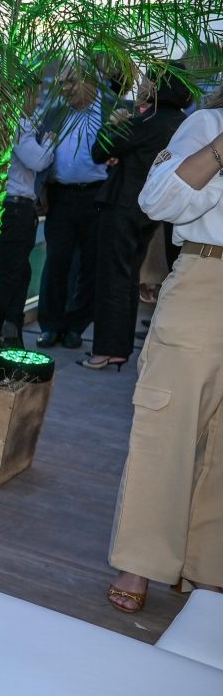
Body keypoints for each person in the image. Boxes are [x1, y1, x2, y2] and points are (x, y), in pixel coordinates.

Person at [106, 92, 223, 612]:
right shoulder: (206, 124)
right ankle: (143, 561)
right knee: (168, 419)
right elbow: (159, 202)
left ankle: (210, 565)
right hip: (208, 277)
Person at [78, 70, 191, 370]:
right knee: (127, 279)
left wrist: (114, 125)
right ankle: (118, 349)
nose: (140, 86)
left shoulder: (145, 121)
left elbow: (99, 151)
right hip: (152, 212)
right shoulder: (181, 123)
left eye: (145, 82)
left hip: (123, 205)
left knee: (113, 279)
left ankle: (107, 350)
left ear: (156, 87)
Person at [35, 73, 105, 350]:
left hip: (97, 196)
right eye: (62, 82)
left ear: (91, 82)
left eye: (71, 81)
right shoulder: (55, 113)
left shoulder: (112, 110)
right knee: (55, 263)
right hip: (61, 196)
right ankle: (50, 326)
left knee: (90, 265)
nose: (64, 88)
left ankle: (76, 327)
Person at [0, 93, 52, 348]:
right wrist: (49, 143)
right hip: (15, 208)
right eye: (33, 94)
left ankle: (8, 332)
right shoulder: (17, 123)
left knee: (14, 272)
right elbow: (38, 160)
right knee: (10, 274)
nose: (36, 102)